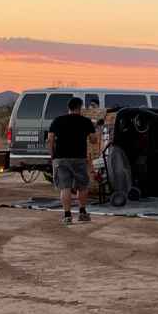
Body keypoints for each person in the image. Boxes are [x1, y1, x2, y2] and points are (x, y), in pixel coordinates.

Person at [47, 96, 97, 224]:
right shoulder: (86, 121)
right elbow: (93, 139)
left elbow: (50, 140)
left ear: (68, 107)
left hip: (61, 158)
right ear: (80, 107)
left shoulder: (57, 120)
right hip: (79, 158)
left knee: (65, 187)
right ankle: (82, 212)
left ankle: (67, 215)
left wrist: (52, 156)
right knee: (82, 186)